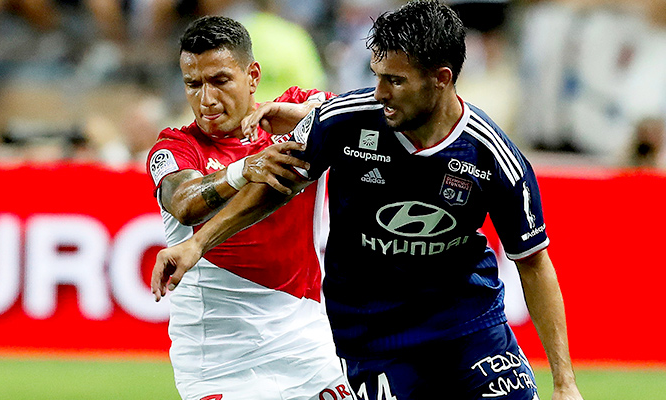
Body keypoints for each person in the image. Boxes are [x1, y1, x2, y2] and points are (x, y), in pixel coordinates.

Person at [152, 2, 584, 399]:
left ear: (441, 79)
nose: (378, 92)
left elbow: (532, 260)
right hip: (370, 335)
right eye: (193, 84)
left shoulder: (492, 156)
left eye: (394, 81)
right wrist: (198, 243)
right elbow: (267, 188)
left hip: (466, 324)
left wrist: (564, 384)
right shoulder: (181, 145)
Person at [145, 15, 350, 400]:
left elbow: (367, 119)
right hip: (221, 362)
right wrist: (243, 170)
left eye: (220, 81)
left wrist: (306, 117)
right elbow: (185, 204)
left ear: (252, 76)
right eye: (193, 84)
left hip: (308, 347)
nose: (206, 99)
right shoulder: (174, 148)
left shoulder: (295, 111)